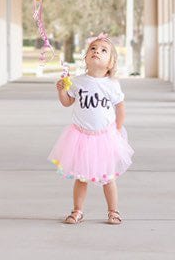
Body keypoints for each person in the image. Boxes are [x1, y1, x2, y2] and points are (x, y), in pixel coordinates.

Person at [48, 33, 134, 225]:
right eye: (93, 49)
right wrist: (62, 90)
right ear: (86, 57)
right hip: (81, 136)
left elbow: (120, 108)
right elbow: (67, 102)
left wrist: (117, 131)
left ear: (110, 63)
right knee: (81, 177)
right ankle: (77, 210)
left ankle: (113, 211)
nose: (97, 51)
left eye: (104, 50)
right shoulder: (78, 82)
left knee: (108, 178)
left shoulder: (111, 85)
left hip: (104, 137)